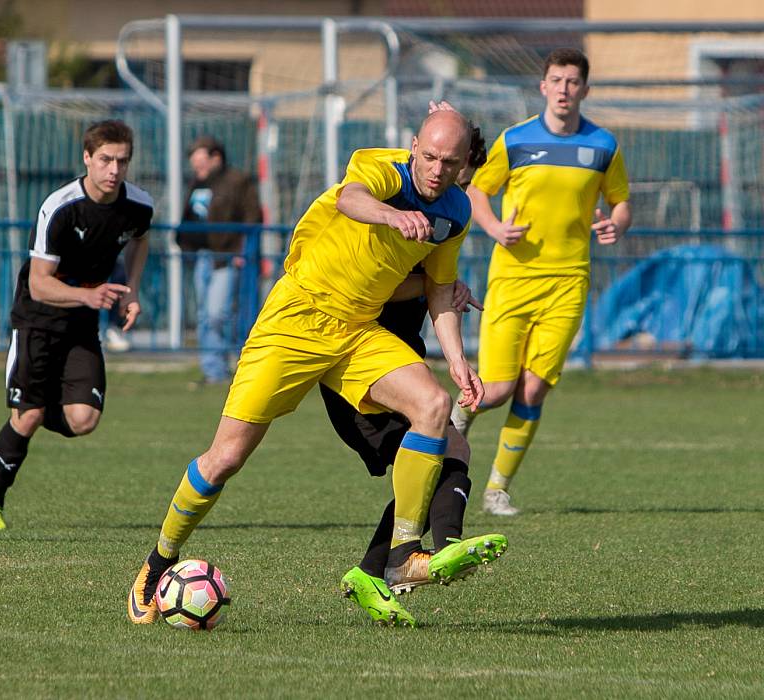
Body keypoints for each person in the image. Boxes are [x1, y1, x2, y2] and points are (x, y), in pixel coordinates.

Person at [128, 108, 491, 625]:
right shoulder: (381, 168)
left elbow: (438, 287)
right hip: (296, 319)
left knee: (434, 406)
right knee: (225, 458)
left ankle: (404, 555)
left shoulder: (455, 211)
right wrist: (392, 215)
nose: (435, 168)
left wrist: (458, 361)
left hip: (358, 331)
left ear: (461, 167)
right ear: (413, 146)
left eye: (448, 161)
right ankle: (159, 560)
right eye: (428, 156)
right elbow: (351, 197)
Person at [324, 121, 506, 627]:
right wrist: (437, 285)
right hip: (355, 364)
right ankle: (433, 553)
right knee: (438, 454)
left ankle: (375, 570)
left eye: (458, 172)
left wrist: (447, 299)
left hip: (401, 362)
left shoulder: (450, 213)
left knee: (453, 451)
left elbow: (435, 287)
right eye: (443, 167)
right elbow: (376, 288)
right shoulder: (400, 203)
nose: (450, 182)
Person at [451, 47, 633, 516]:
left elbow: (620, 201)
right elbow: (477, 191)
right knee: (494, 389)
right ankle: (451, 425)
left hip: (568, 281)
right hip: (512, 279)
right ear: (543, 87)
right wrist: (493, 229)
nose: (564, 89)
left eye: (573, 82)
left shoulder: (604, 146)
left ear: (585, 90)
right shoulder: (515, 140)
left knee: (533, 390)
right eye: (556, 80)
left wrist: (617, 222)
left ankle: (496, 489)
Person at [0, 119, 153, 530]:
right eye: (105, 159)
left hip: (82, 323)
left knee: (83, 420)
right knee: (30, 416)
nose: (113, 170)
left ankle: (32, 403)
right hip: (37, 319)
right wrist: (89, 296)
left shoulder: (138, 206)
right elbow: (38, 284)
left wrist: (132, 290)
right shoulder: (60, 208)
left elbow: (141, 239)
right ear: (87, 158)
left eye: (122, 161)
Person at [178, 136, 262, 385]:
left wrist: (241, 250)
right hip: (202, 256)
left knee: (218, 314)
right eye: (195, 165)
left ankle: (236, 366)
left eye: (202, 163)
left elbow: (252, 217)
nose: (198, 169)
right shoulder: (197, 183)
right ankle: (213, 371)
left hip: (226, 257)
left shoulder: (237, 181)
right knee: (205, 315)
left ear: (216, 158)